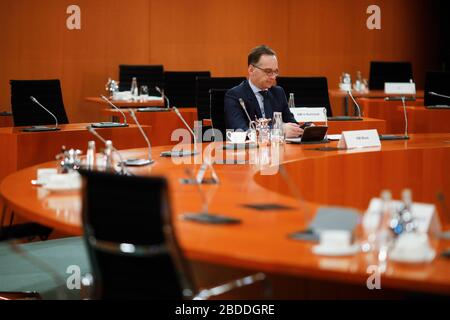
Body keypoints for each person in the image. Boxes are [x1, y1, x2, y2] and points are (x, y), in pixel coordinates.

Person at [224, 45, 303, 138]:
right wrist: (278, 131)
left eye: (276, 71)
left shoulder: (278, 92)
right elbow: (241, 131)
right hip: (250, 150)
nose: (273, 76)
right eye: (268, 71)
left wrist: (305, 129)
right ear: (251, 70)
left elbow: (291, 123)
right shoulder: (235, 95)